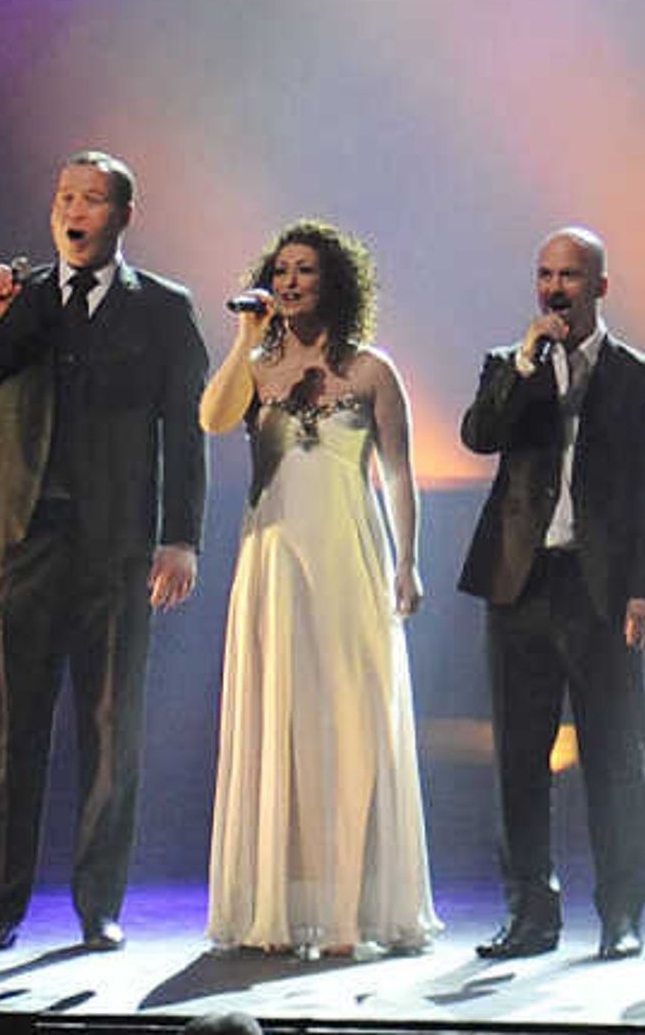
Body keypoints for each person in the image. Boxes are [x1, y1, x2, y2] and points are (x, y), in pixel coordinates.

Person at [0, 147, 209, 952]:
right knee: (15, 730)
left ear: (122, 216)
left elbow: (187, 432)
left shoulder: (163, 309)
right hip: (22, 538)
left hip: (118, 548)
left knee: (113, 728)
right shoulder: (22, 299)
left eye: (92, 199)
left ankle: (97, 906)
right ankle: (1, 906)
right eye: (64, 198)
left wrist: (181, 537)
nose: (74, 212)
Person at [198, 220, 439, 957]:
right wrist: (247, 339)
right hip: (273, 557)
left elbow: (398, 472)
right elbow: (211, 418)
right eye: (282, 270)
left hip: (349, 552)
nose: (291, 281)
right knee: (281, 717)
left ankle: (349, 911)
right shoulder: (258, 368)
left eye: (305, 270)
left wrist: (407, 562)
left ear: (333, 282)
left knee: (349, 716)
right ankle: (277, 903)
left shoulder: (370, 371)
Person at [457, 227, 645, 962]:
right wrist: (525, 363)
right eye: (546, 275)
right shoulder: (511, 365)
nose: (556, 289)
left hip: (602, 589)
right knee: (519, 758)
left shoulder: (641, 378)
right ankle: (531, 913)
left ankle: (621, 914)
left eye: (571, 276)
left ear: (601, 286)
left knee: (613, 755)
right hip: (520, 583)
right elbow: (480, 435)